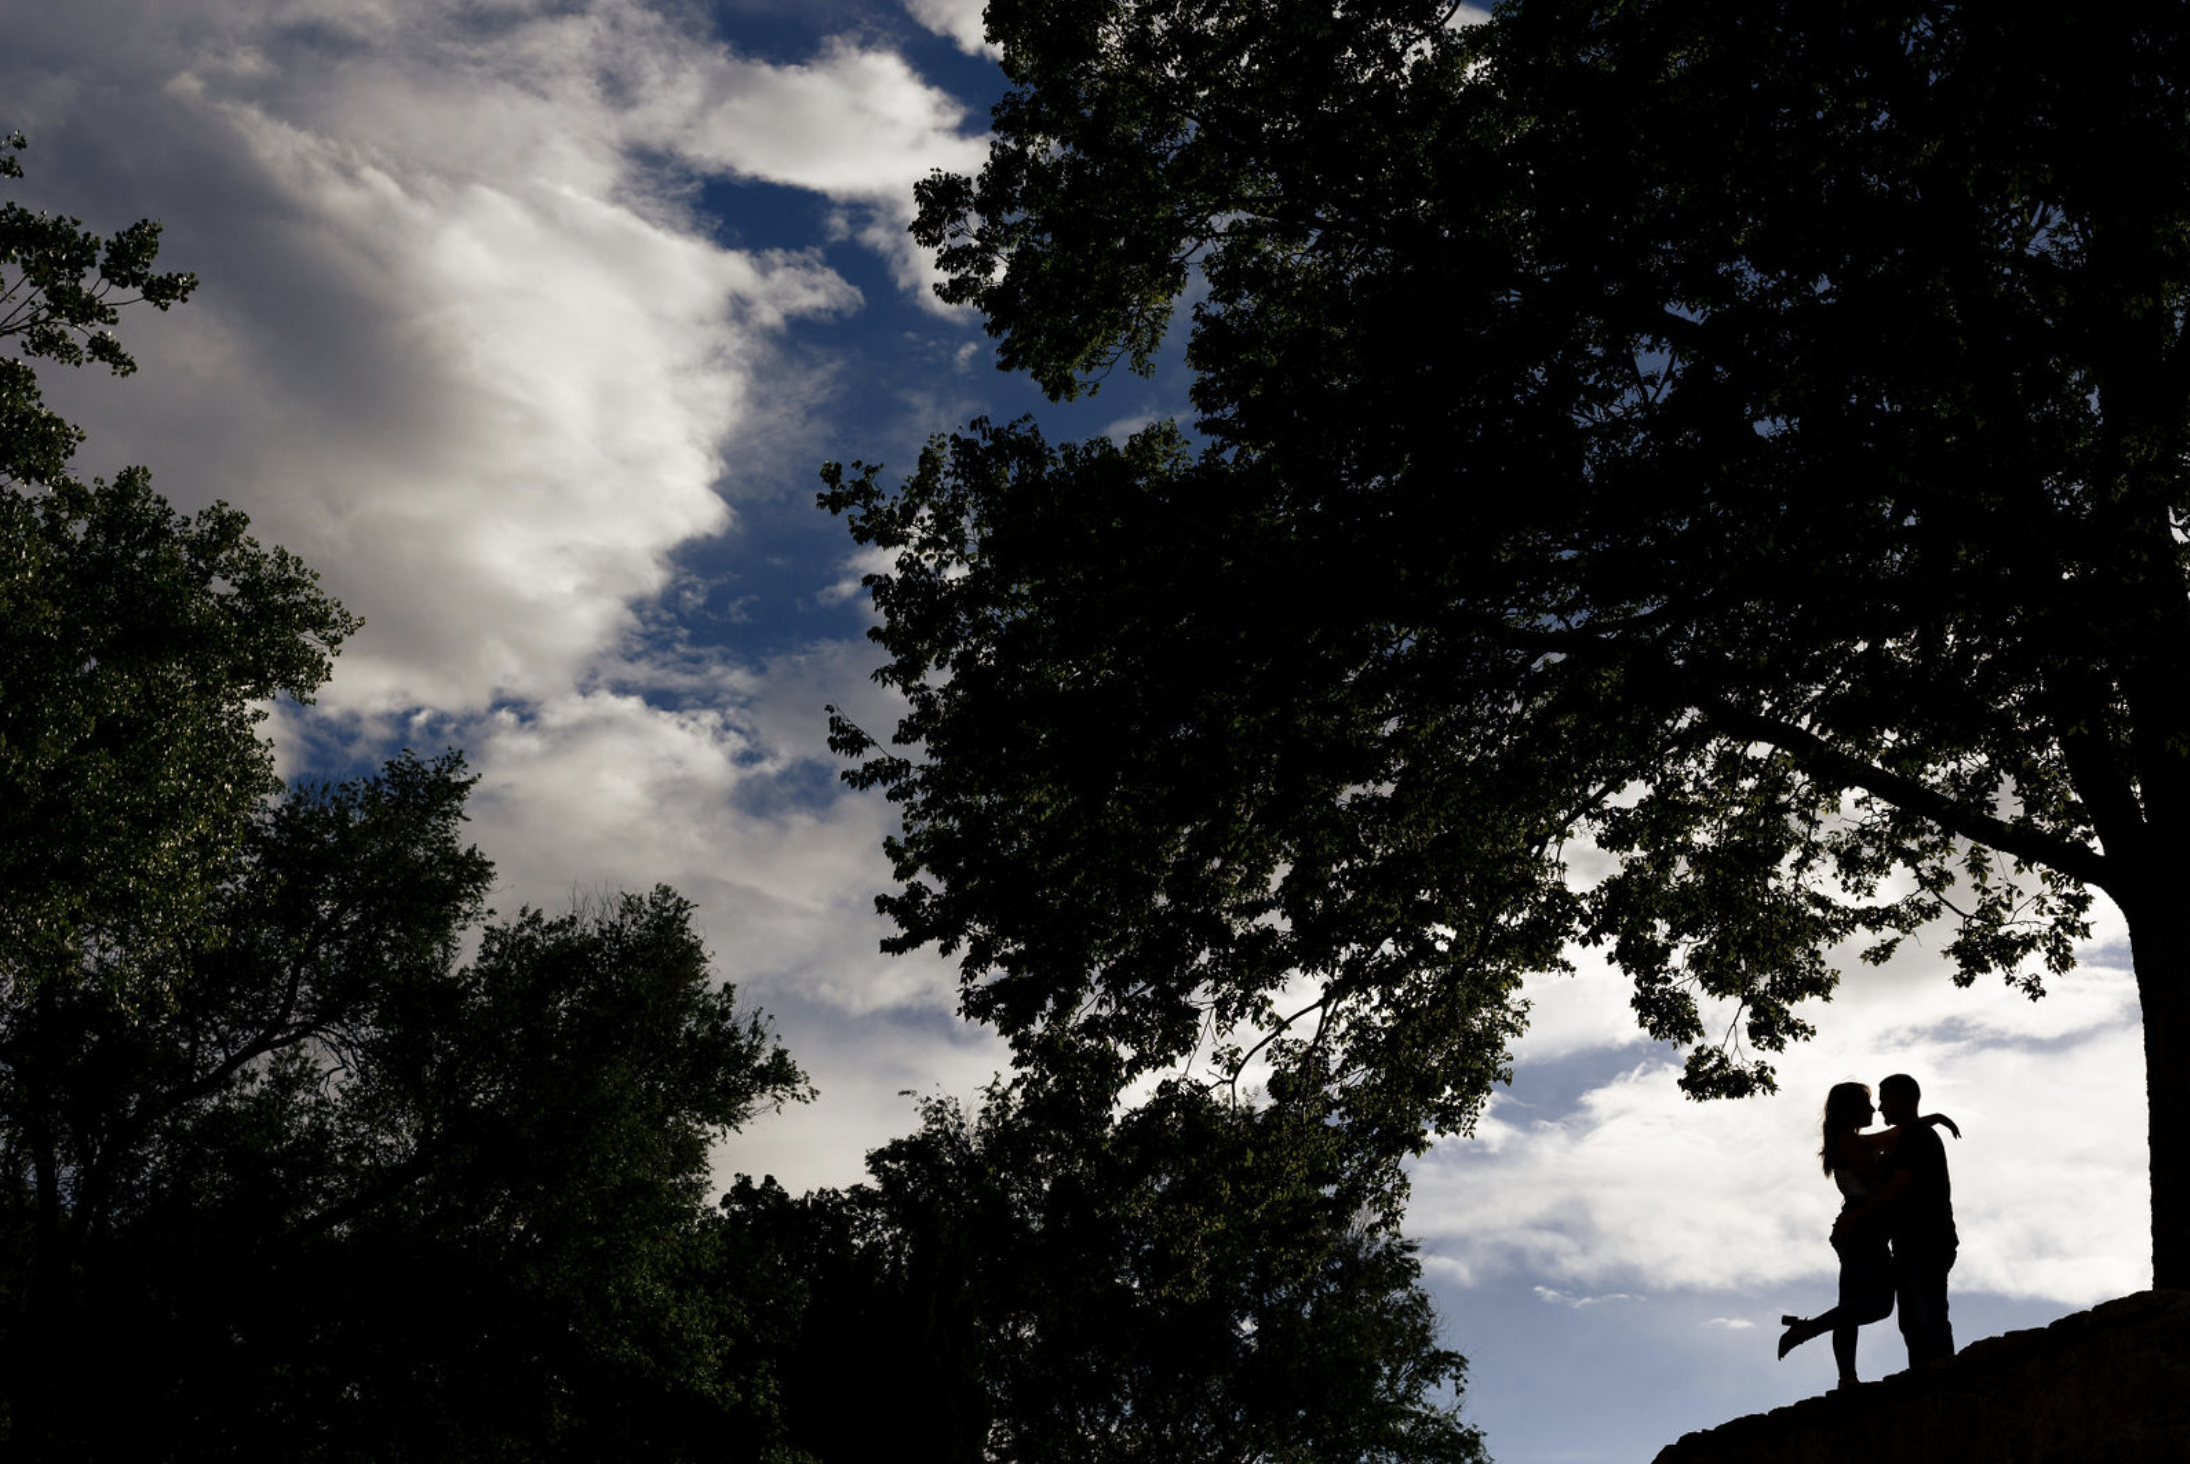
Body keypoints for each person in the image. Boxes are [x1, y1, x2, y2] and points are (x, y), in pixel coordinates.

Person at [1777, 1081, 1959, 1387]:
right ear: (1850, 1108)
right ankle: (1810, 1333)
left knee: (1851, 1301)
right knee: (1878, 1305)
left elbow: (1894, 1134)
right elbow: (1879, 1183)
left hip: (1858, 1227)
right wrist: (1898, 1165)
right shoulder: (1849, 1143)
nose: (1875, 1108)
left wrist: (1931, 1119)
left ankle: (1845, 1376)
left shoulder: (1851, 1141)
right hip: (1862, 1227)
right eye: (1868, 1102)